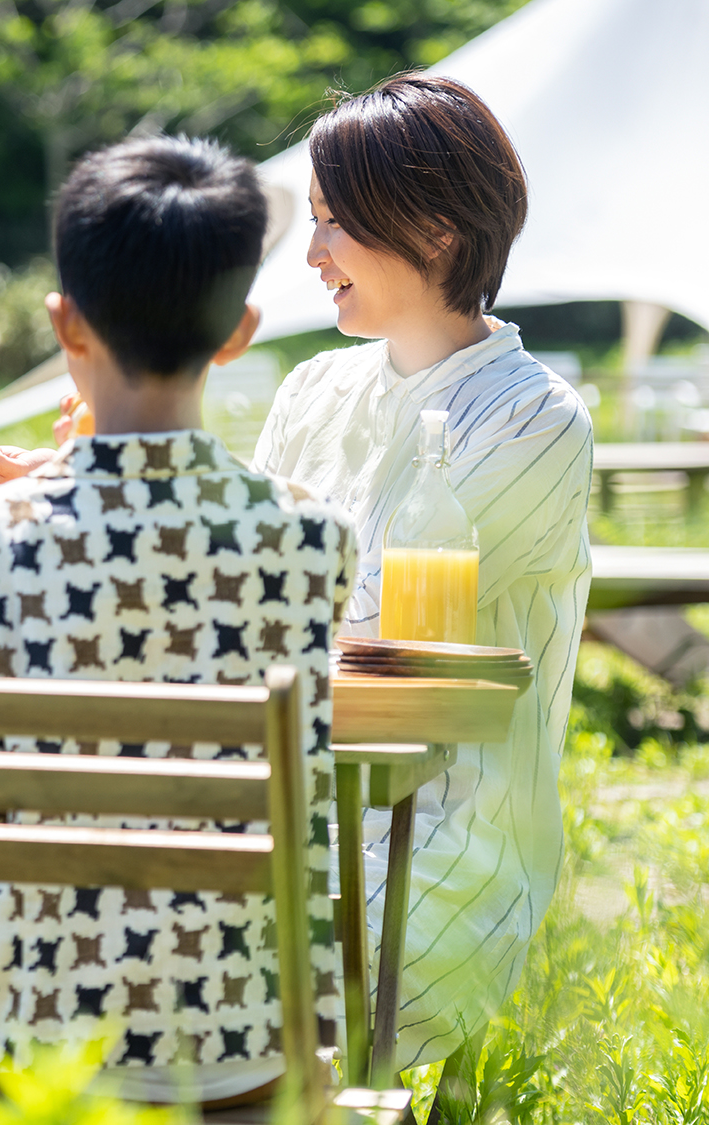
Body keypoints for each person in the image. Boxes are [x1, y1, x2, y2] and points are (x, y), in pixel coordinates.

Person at [0, 135, 352, 1104]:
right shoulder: (310, 542)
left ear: (64, 325)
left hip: (21, 1041)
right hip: (240, 1039)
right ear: (238, 331)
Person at [250, 74, 593, 1071]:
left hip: (442, 850)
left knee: (248, 1037)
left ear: (436, 230)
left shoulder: (531, 418)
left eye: (333, 225)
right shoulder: (312, 390)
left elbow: (362, 631)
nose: (311, 256)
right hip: (280, 824)